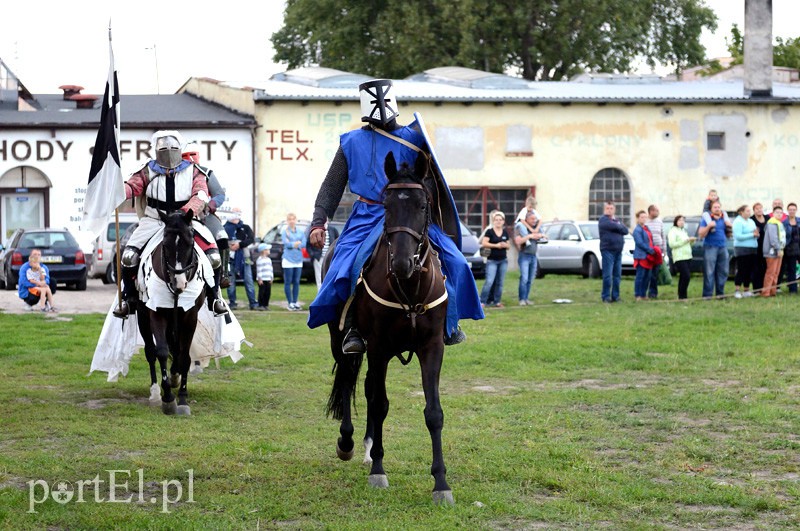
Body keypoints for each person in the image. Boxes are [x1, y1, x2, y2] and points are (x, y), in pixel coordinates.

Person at [306, 78, 483, 354]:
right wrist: (319, 220)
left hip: (409, 216)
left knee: (457, 262)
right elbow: (332, 185)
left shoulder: (414, 138)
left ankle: (449, 323)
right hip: (367, 216)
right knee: (344, 266)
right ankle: (352, 327)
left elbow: (431, 179)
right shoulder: (351, 142)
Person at [113, 130, 227, 318]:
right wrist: (118, 190)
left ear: (179, 149)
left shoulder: (194, 171)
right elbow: (133, 187)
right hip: (154, 220)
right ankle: (128, 298)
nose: (168, 152)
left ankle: (214, 299)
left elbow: (200, 194)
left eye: (173, 148)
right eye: (163, 148)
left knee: (213, 257)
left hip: (185, 221)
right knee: (128, 256)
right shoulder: (146, 170)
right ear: (156, 150)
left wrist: (184, 214)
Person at [182, 141, 231, 288]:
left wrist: (211, 205)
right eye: (185, 156)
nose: (189, 159)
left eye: (191, 155)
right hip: (181, 215)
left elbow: (219, 194)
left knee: (221, 236)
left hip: (203, 214)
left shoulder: (205, 172)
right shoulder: (174, 174)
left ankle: (223, 274)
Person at [224, 207, 258, 310]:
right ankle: (232, 302)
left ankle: (253, 303)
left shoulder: (245, 227)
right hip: (230, 258)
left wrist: (240, 245)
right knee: (231, 281)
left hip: (244, 257)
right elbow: (221, 239)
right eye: (234, 212)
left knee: (248, 280)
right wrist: (229, 245)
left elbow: (251, 239)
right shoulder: (225, 227)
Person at [697, 199, 731, 299]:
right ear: (711, 209)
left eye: (718, 207)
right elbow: (701, 234)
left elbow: (729, 231)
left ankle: (720, 294)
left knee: (723, 271)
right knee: (709, 272)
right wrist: (709, 226)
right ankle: (707, 295)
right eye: (715, 207)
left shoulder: (724, 219)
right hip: (710, 247)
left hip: (723, 247)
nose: (717, 209)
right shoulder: (706, 220)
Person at [598, 201, 629, 303]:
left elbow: (625, 230)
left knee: (617, 275)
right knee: (607, 275)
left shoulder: (616, 220)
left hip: (618, 251)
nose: (609, 210)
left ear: (614, 209)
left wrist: (618, 224)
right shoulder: (603, 220)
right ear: (604, 209)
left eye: (611, 208)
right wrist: (618, 225)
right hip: (607, 251)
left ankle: (616, 296)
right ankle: (606, 296)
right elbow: (616, 227)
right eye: (607, 208)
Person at [480, 211, 511, 308]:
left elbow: (509, 246)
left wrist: (505, 245)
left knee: (500, 282)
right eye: (496, 220)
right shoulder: (489, 231)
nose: (498, 221)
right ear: (493, 221)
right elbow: (484, 243)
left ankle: (497, 301)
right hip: (492, 260)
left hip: (503, 260)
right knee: (489, 281)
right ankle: (482, 301)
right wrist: (496, 245)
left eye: (500, 220)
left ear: (503, 221)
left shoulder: (505, 232)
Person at [514, 210, 543, 305]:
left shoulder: (536, 228)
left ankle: (526, 298)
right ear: (526, 219)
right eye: (532, 219)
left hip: (533, 256)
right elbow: (518, 241)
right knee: (524, 278)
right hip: (524, 256)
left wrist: (540, 235)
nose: (534, 220)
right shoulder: (520, 227)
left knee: (530, 279)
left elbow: (545, 236)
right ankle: (521, 299)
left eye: (535, 219)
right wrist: (530, 236)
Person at [732, 204, 759, 298]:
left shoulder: (751, 221)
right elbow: (738, 236)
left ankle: (746, 289)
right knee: (742, 269)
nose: (749, 212)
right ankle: (737, 290)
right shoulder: (738, 221)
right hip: (742, 249)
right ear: (741, 212)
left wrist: (756, 234)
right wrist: (752, 235)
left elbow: (756, 232)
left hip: (753, 248)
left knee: (749, 269)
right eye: (747, 211)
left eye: (749, 210)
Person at [281, 213, 306, 310]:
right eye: (289, 219)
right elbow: (286, 244)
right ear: (287, 221)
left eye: (293, 219)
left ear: (296, 220)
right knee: (288, 281)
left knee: (296, 281)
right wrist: (295, 243)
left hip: (298, 259)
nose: (291, 221)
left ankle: (295, 302)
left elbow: (303, 243)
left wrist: (294, 244)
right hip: (288, 259)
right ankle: (290, 302)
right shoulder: (285, 231)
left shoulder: (300, 232)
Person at [667, 215, 695, 300]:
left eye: (683, 220)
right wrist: (685, 241)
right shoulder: (672, 231)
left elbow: (687, 244)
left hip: (687, 256)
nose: (682, 222)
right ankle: (683, 296)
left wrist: (691, 242)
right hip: (679, 257)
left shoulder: (684, 231)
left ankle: (681, 295)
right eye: (679, 220)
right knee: (686, 276)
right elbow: (672, 244)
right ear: (676, 221)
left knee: (683, 276)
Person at [633, 210, 658, 301]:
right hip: (641, 256)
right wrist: (649, 250)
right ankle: (637, 294)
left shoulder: (647, 228)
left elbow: (651, 240)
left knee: (647, 276)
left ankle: (643, 294)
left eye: (645, 217)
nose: (643, 219)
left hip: (649, 257)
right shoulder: (637, 230)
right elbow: (640, 243)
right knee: (640, 276)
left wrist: (654, 250)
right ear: (638, 218)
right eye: (641, 217)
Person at [762, 205, 786, 297]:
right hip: (772, 251)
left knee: (776, 273)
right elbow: (773, 238)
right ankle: (766, 292)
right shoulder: (772, 223)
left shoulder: (779, 223)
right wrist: (778, 248)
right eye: (777, 212)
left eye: (781, 213)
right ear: (773, 214)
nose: (779, 214)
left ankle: (773, 291)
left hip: (779, 251)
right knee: (770, 273)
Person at [307, 222, 339, 290]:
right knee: (319, 277)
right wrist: (313, 255)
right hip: (319, 258)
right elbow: (308, 245)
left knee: (329, 276)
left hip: (330, 258)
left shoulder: (332, 230)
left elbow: (338, 242)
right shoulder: (315, 230)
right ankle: (320, 294)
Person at [644, 204, 665, 299]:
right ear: (650, 212)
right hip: (649, 250)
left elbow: (663, 235)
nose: (657, 212)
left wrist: (664, 250)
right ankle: (645, 292)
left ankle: (653, 293)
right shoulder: (646, 222)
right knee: (648, 273)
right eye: (655, 210)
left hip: (658, 250)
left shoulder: (660, 222)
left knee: (655, 273)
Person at [782, 203, 800, 294]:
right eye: (790, 209)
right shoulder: (784, 223)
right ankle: (793, 289)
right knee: (791, 269)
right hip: (789, 248)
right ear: (788, 211)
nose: (792, 211)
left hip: (799, 246)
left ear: (796, 210)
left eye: (794, 209)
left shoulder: (799, 220)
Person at [751, 202, 768, 293]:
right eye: (757, 208)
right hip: (756, 247)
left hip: (767, 246)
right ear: (754, 210)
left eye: (760, 208)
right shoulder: (751, 219)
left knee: (765, 267)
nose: (759, 210)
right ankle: (756, 289)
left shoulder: (768, 218)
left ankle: (765, 288)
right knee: (756, 268)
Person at [255, 242, 273, 310]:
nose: (269, 251)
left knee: (268, 292)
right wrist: (260, 279)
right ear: (264, 251)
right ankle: (260, 304)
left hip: (268, 278)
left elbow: (271, 269)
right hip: (262, 279)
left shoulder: (269, 260)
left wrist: (271, 277)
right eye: (268, 249)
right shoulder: (260, 260)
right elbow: (259, 270)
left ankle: (266, 304)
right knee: (262, 292)